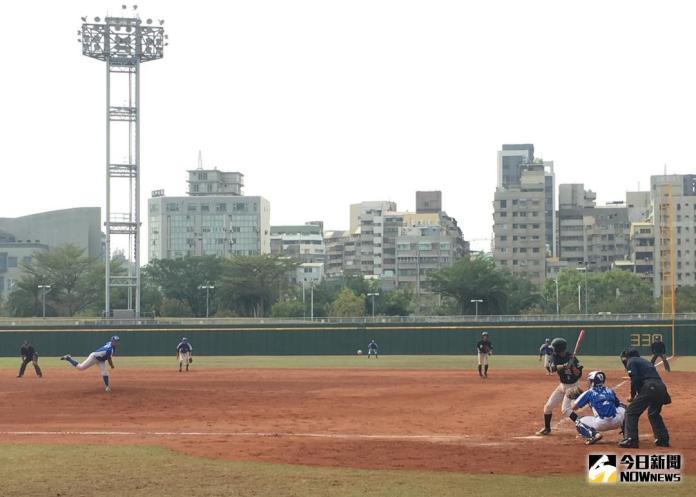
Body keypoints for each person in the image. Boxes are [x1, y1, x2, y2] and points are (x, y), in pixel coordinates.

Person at [618, 348, 671, 448]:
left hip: (650, 387)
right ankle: (662, 439)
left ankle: (631, 440)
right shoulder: (645, 361)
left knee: (631, 412)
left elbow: (635, 379)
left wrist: (632, 396)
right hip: (661, 387)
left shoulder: (631, 361)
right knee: (653, 413)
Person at [536, 337, 583, 435]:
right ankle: (547, 429)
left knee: (565, 409)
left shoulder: (572, 357)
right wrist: (565, 366)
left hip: (572, 386)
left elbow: (578, 374)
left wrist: (572, 365)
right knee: (547, 407)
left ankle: (584, 426)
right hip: (562, 385)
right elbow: (552, 369)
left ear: (559, 348)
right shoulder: (555, 356)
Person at [568, 371, 626, 445]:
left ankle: (594, 435)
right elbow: (617, 404)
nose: (588, 382)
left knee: (578, 421)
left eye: (589, 381)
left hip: (601, 424)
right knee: (623, 407)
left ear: (592, 382)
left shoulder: (589, 392)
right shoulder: (610, 390)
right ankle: (626, 432)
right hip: (616, 422)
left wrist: (574, 398)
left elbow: (574, 407)